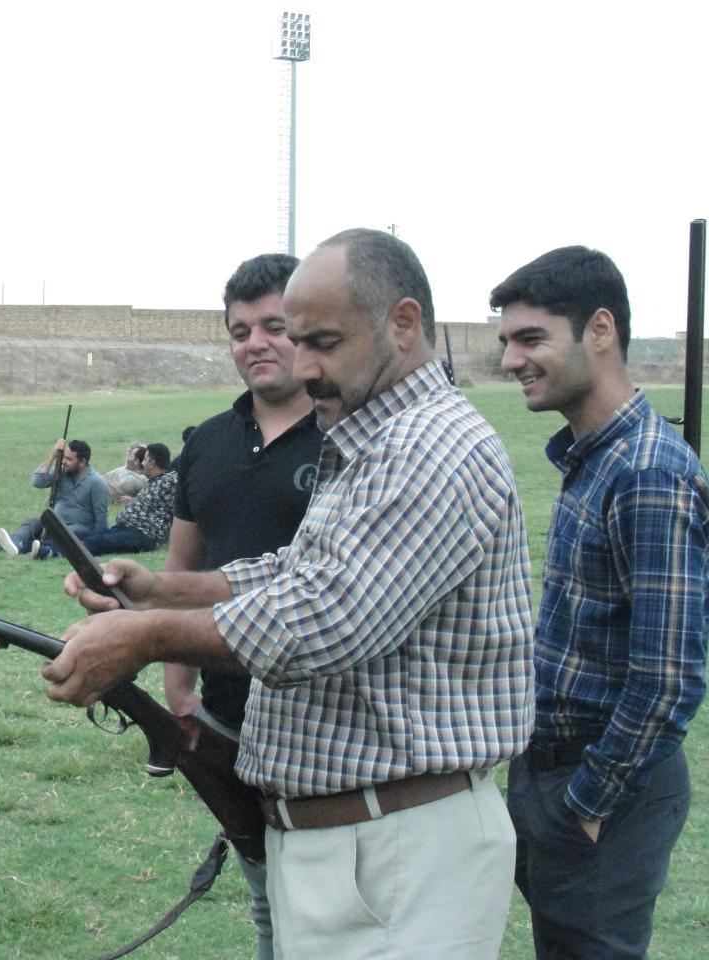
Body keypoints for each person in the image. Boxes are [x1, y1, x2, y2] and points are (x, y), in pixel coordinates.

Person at [43, 228, 535, 959]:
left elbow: (324, 619)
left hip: (398, 851)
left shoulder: (430, 445)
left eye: (324, 342)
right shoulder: (375, 435)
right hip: (355, 844)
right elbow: (297, 572)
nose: (304, 367)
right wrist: (160, 591)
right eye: (293, 340)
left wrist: (144, 636)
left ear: (403, 323)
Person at [492, 246, 707, 959]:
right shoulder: (599, 458)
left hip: (602, 795)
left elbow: (668, 676)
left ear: (601, 330)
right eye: (506, 342)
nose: (510, 361)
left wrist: (584, 806)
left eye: (531, 339)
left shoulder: (645, 472)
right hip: (553, 773)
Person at [161, 253, 321, 960]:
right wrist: (177, 685)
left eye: (275, 325)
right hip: (227, 713)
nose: (255, 342)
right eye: (239, 331)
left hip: (321, 714)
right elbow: (181, 564)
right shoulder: (208, 441)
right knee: (261, 895)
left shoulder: (352, 440)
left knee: (317, 904)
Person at [40, 443, 175, 558]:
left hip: (142, 535)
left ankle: (52, 552)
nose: (142, 463)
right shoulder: (155, 482)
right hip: (125, 528)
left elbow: (177, 511)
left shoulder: (169, 482)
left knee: (97, 542)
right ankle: (41, 546)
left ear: (152, 463)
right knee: (84, 535)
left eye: (145, 459)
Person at [0, 437, 108, 557]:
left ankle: (29, 548)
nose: (64, 461)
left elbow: (101, 516)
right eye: (63, 457)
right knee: (31, 523)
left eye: (69, 459)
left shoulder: (96, 482)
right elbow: (37, 481)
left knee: (67, 533)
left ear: (82, 462)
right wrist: (53, 455)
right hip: (54, 522)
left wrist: (99, 542)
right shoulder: (62, 473)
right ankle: (14, 543)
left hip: (79, 528)